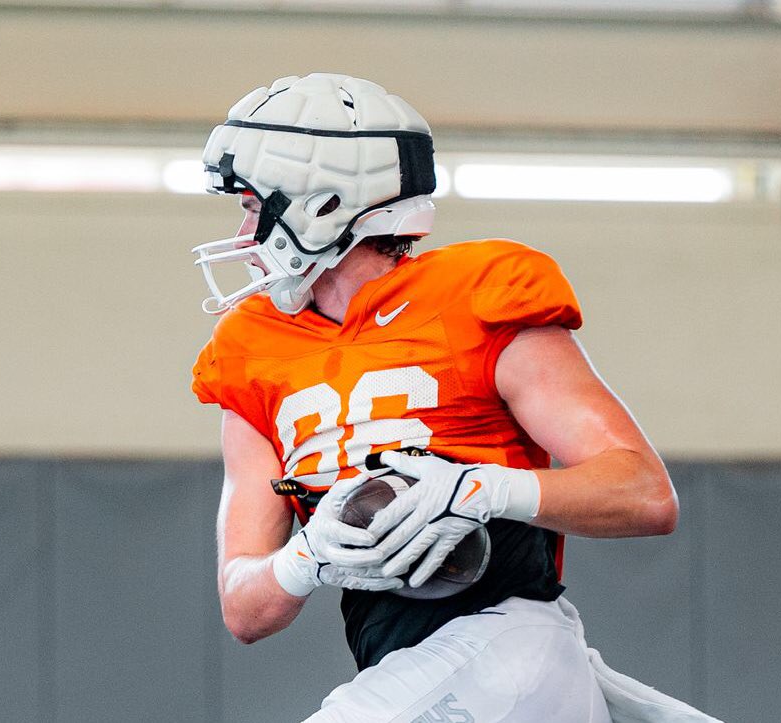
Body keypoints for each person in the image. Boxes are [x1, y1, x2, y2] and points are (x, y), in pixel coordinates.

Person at [191, 73, 721, 723]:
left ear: (321, 203)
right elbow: (243, 608)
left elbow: (642, 491)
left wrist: (482, 488)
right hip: (416, 671)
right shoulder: (250, 347)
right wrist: (310, 555)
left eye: (251, 206)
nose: (243, 234)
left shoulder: (475, 294)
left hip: (509, 643)